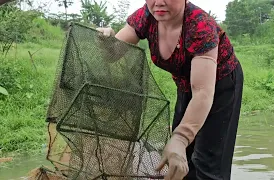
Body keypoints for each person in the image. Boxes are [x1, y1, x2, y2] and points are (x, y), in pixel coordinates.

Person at [97, 0, 244, 179]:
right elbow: (113, 53)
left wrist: (181, 137)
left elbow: (203, 92)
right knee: (180, 158)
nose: (159, 2)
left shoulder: (200, 25)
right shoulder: (146, 16)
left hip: (221, 83)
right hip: (185, 83)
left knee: (208, 161)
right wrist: (107, 40)